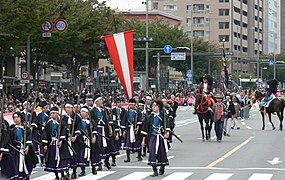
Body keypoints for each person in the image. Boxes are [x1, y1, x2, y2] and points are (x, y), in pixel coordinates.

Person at [141, 100, 170, 177]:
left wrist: (167, 132)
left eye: (155, 106)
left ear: (159, 107)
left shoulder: (163, 116)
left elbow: (167, 125)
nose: (153, 107)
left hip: (160, 137)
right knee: (152, 153)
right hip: (152, 137)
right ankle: (155, 170)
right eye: (152, 106)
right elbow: (145, 129)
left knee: (162, 152)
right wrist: (143, 140)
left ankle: (162, 167)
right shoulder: (149, 117)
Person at [42, 106, 71, 180]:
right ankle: (56, 176)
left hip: (60, 144)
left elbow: (64, 131)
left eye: (54, 113)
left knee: (61, 160)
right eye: (51, 113)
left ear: (57, 114)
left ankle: (63, 174)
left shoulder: (62, 123)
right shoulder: (48, 123)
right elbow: (45, 133)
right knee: (53, 160)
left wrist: (61, 140)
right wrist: (45, 144)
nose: (52, 115)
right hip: (52, 144)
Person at [10, 111, 38, 179]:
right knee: (16, 167)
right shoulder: (12, 130)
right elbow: (10, 141)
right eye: (14, 118)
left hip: (25, 151)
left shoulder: (26, 129)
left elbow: (29, 137)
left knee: (26, 166)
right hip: (16, 152)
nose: (16, 119)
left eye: (17, 117)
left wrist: (27, 146)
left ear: (20, 118)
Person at [121, 98, 142, 162]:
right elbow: (124, 121)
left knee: (137, 142)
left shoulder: (138, 112)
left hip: (135, 129)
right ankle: (128, 157)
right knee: (128, 143)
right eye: (130, 105)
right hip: (129, 129)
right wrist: (124, 130)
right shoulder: (126, 112)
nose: (131, 106)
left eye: (132, 105)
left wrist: (137, 127)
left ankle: (139, 155)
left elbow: (140, 120)